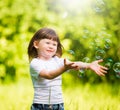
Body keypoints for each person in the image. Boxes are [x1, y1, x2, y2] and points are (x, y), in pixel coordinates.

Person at [28, 27, 108, 110]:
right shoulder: (35, 63)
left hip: (58, 104)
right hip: (41, 105)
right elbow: (49, 75)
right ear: (36, 44)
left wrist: (89, 65)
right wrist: (64, 68)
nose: (51, 46)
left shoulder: (57, 61)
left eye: (54, 44)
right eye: (47, 43)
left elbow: (75, 64)